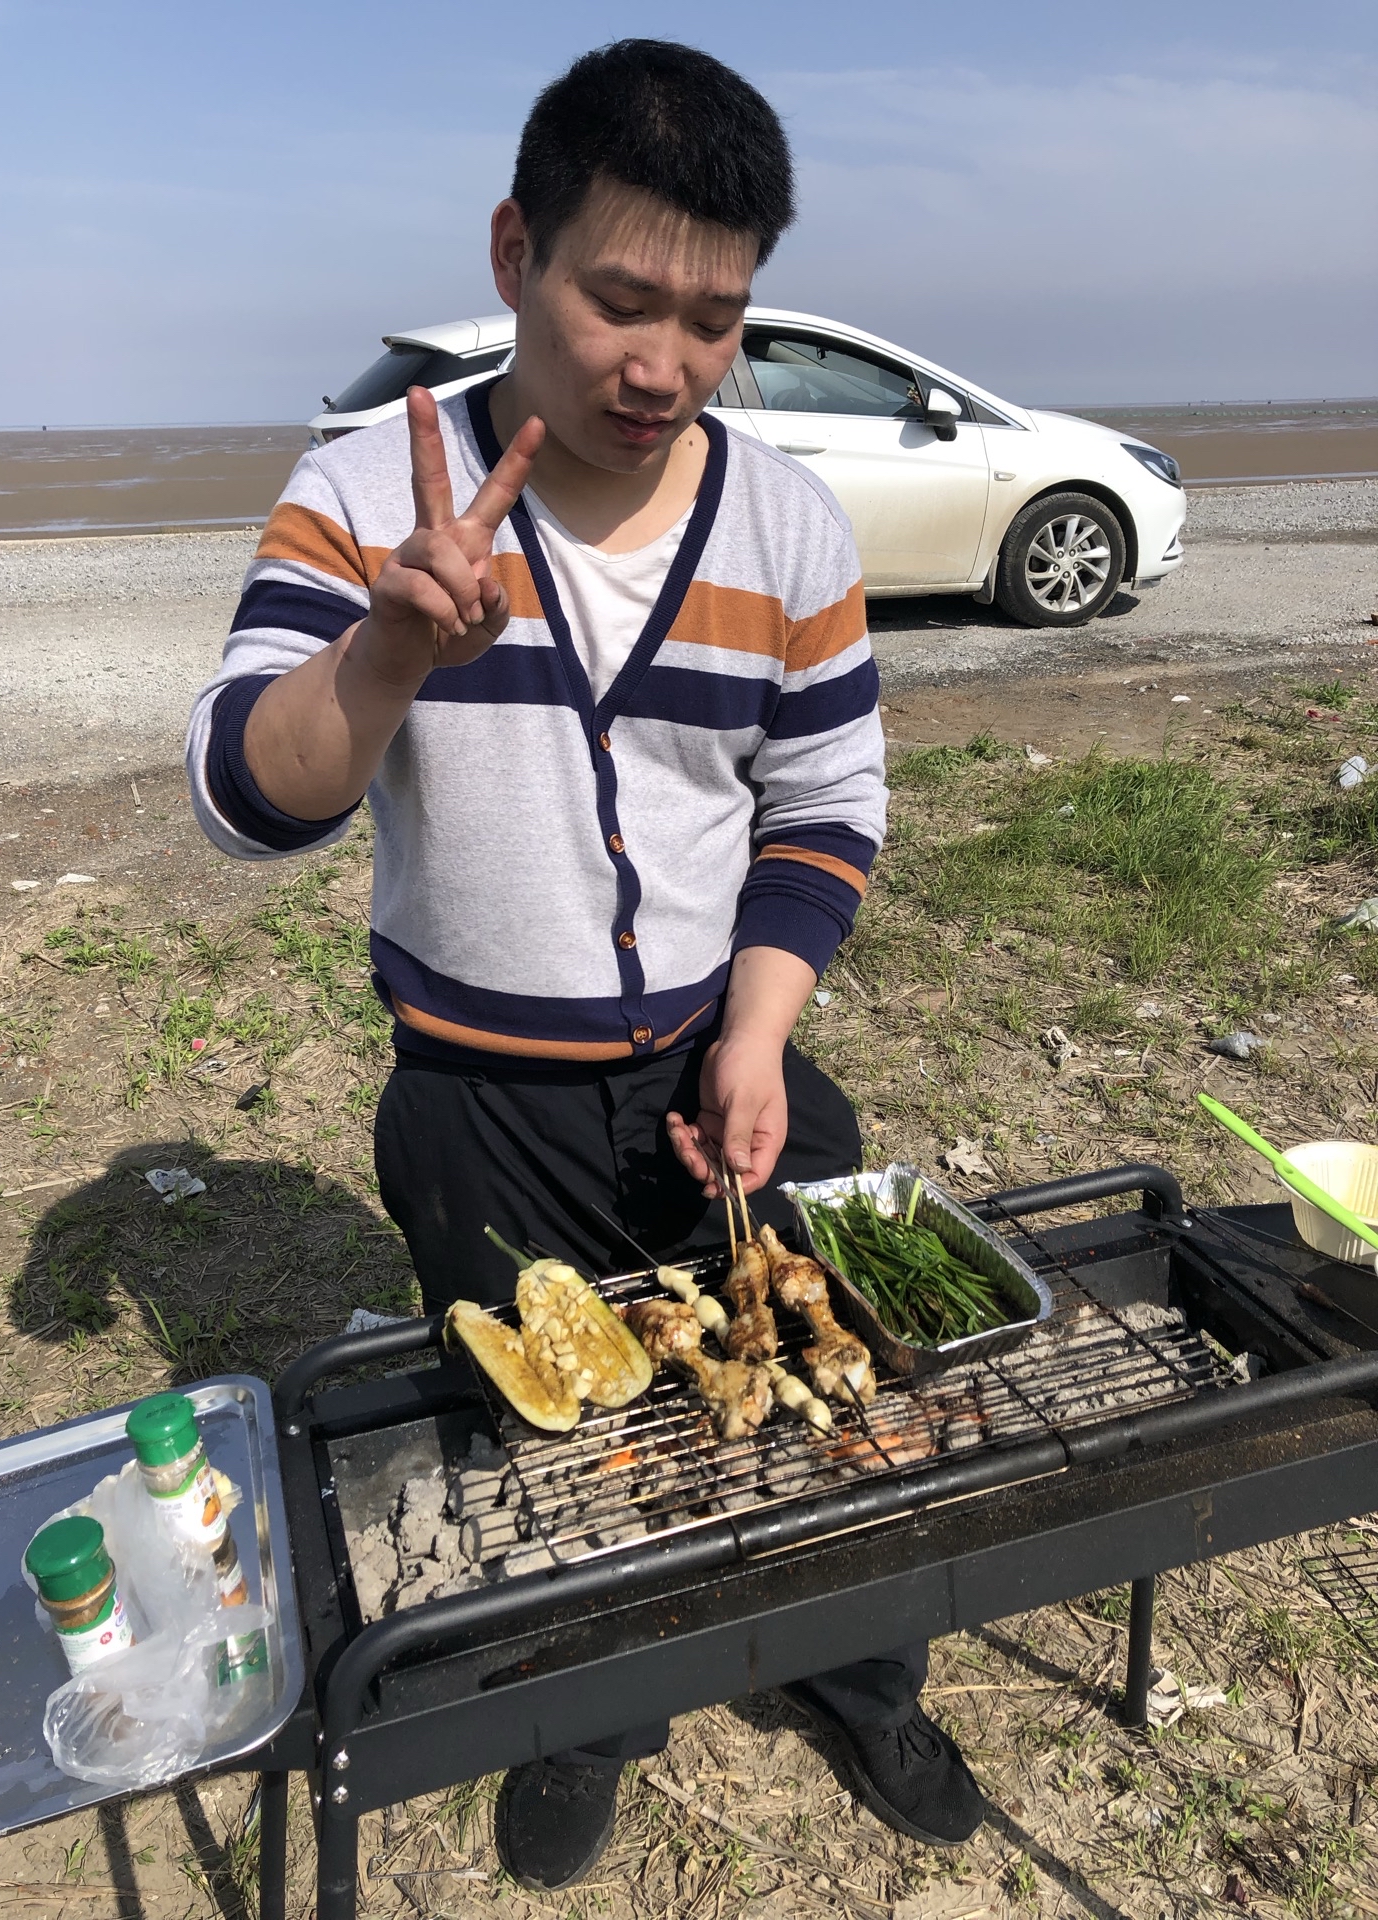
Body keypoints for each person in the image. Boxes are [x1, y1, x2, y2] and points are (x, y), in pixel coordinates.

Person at [187, 37, 984, 1889]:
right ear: (512, 254)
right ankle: (591, 1717)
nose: (666, 363)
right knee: (563, 1460)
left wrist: (765, 1031)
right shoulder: (370, 479)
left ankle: (865, 1678)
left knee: (837, 1393)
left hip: (733, 1070)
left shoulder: (784, 521)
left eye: (717, 318)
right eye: (621, 298)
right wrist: (387, 649)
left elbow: (828, 801)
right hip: (481, 1102)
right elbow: (246, 796)